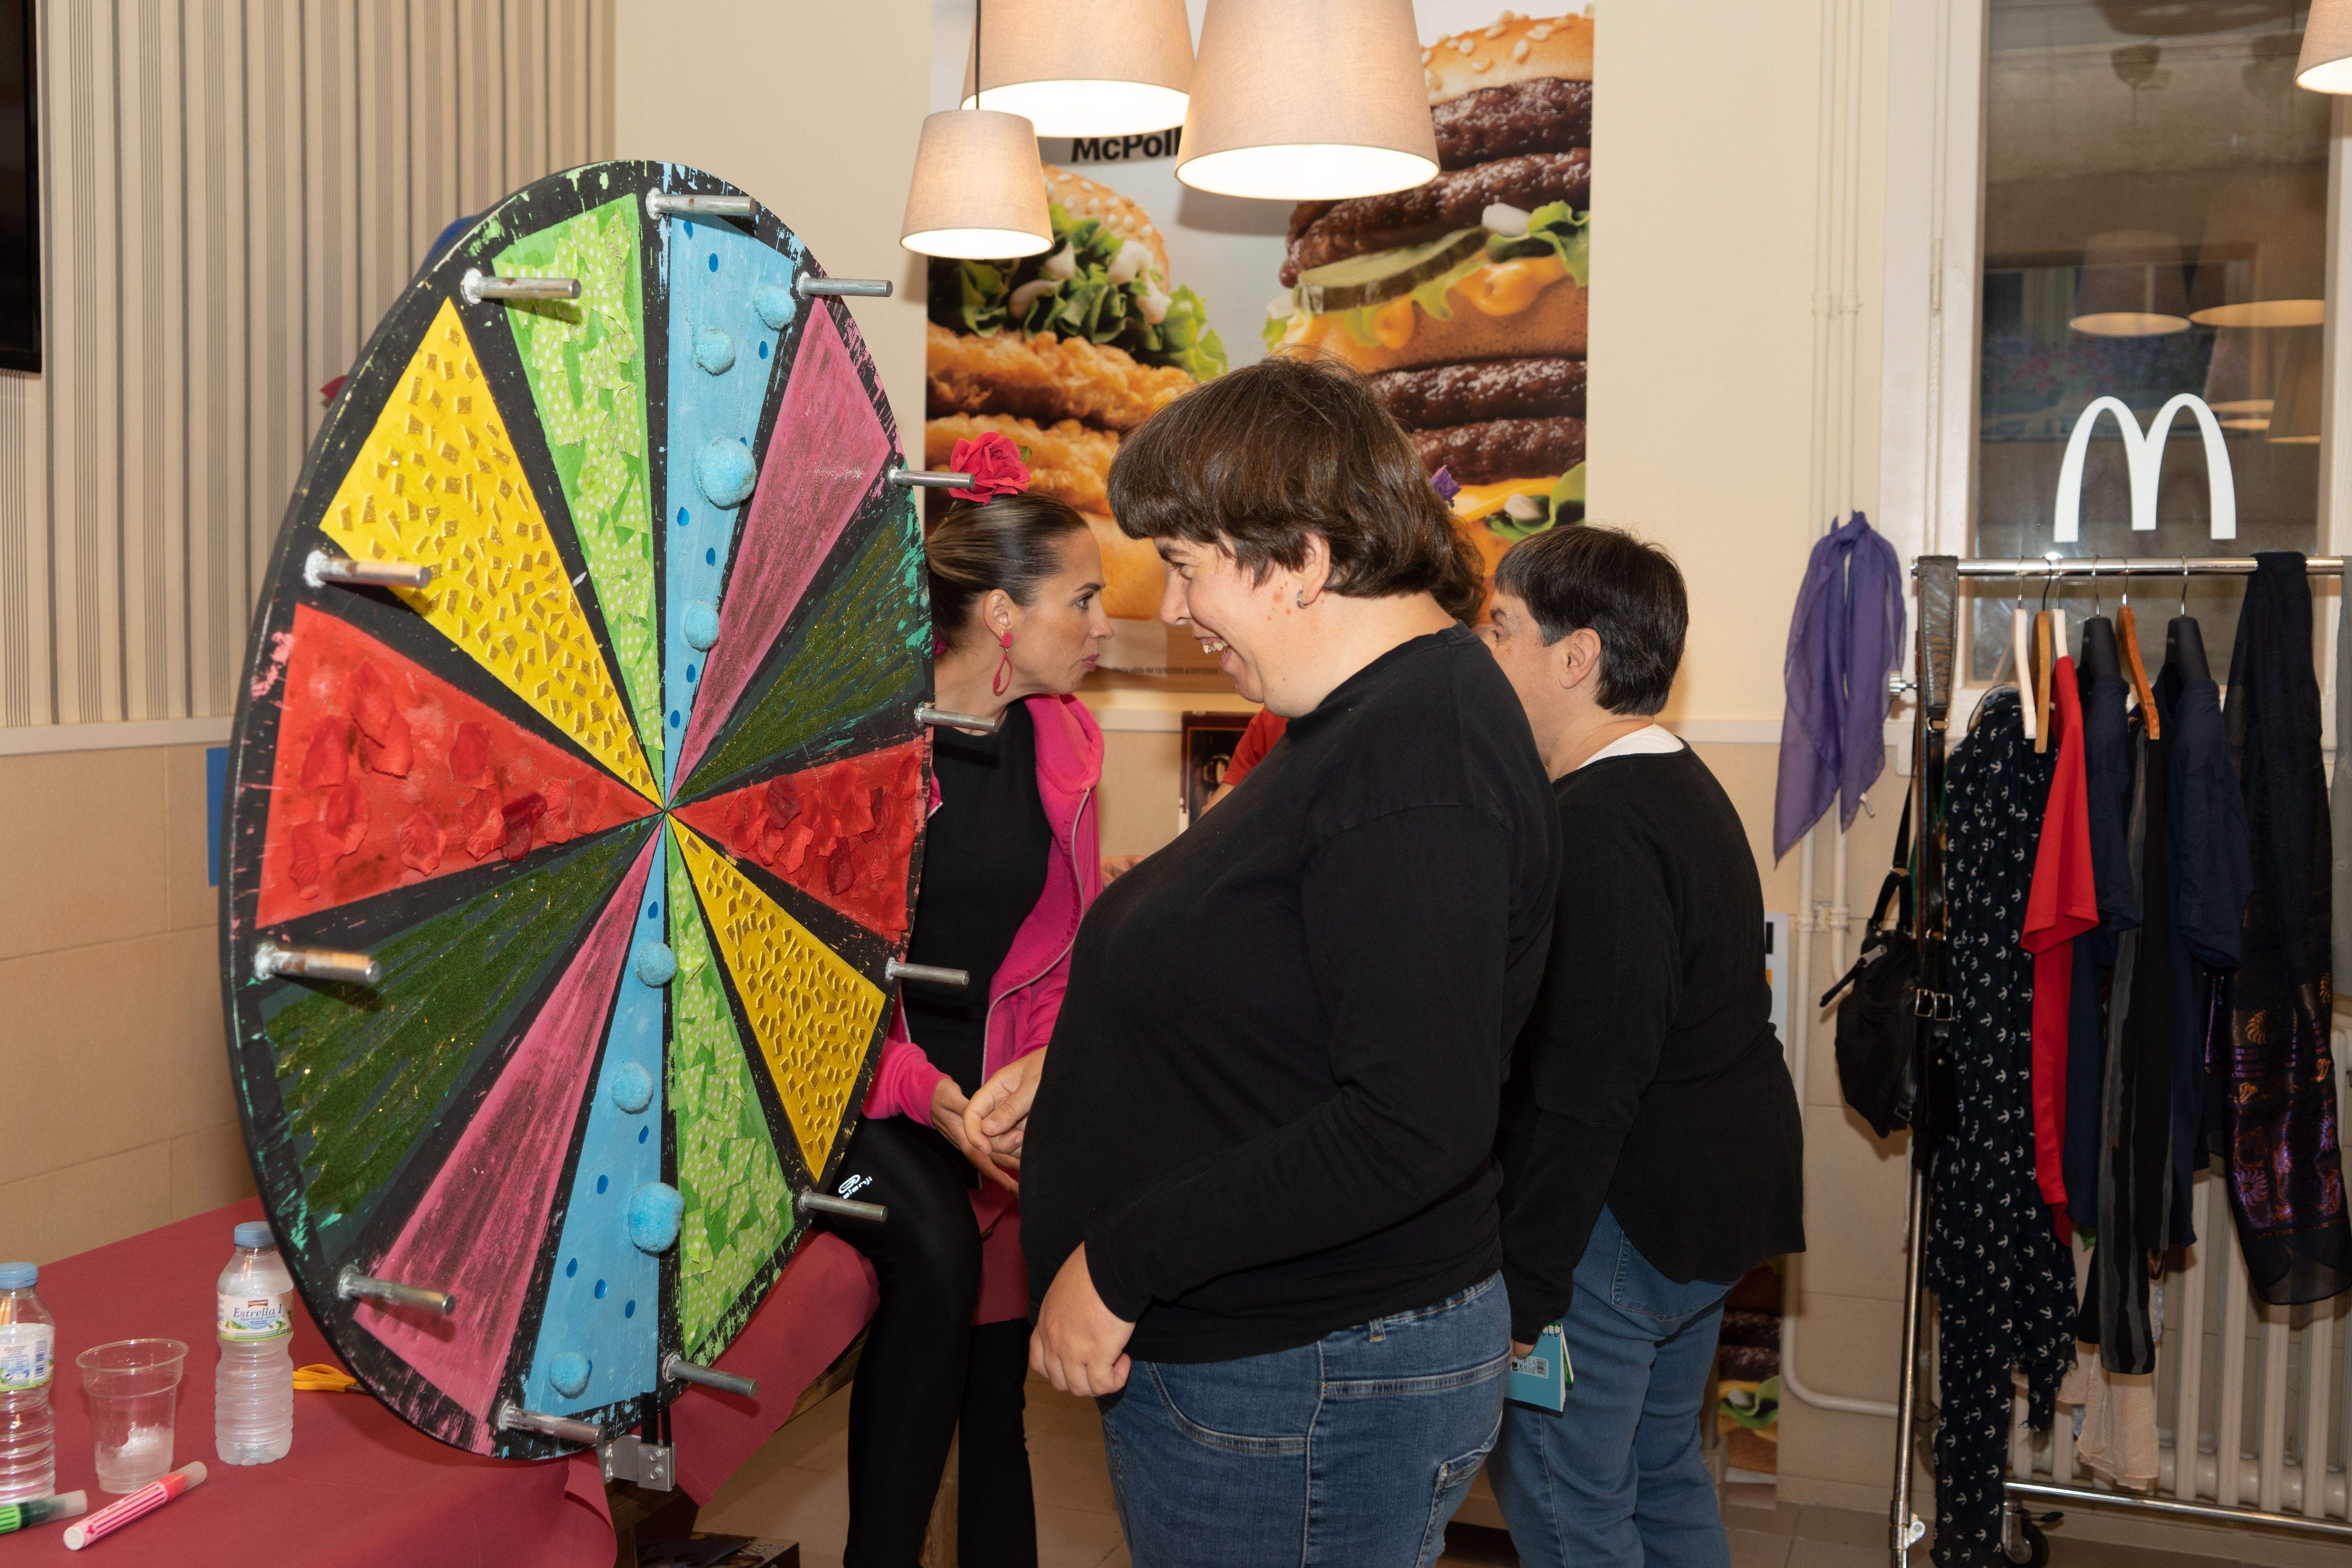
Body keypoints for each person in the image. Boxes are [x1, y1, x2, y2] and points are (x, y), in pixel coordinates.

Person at [1016, 353, 1563, 1568]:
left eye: (1187, 566)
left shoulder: (1421, 764)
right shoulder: (1369, 725)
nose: (1169, 611)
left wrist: (1117, 1261)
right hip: (1286, 1362)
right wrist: (1086, 1070)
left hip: (1308, 1373)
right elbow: (1298, 996)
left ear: (1304, 558)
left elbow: (1407, 1123)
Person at [1476, 525, 1805, 1568]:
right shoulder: (1673, 779)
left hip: (1621, 1220)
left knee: (1565, 1496)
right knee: (1659, 1469)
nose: (1481, 653)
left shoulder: (1599, 826)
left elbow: (1585, 1083)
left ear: (1574, 658)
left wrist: (1527, 1287)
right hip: (1703, 1203)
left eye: (1497, 630)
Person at [816, 442, 1112, 1568]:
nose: (1100, 626)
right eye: (1080, 600)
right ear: (1000, 611)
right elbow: (816, 976)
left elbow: (1063, 952)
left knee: (999, 1396)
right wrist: (928, 1092)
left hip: (989, 1100)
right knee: (935, 1258)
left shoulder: (1065, 739)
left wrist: (1027, 1094)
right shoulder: (869, 745)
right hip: (859, 1084)